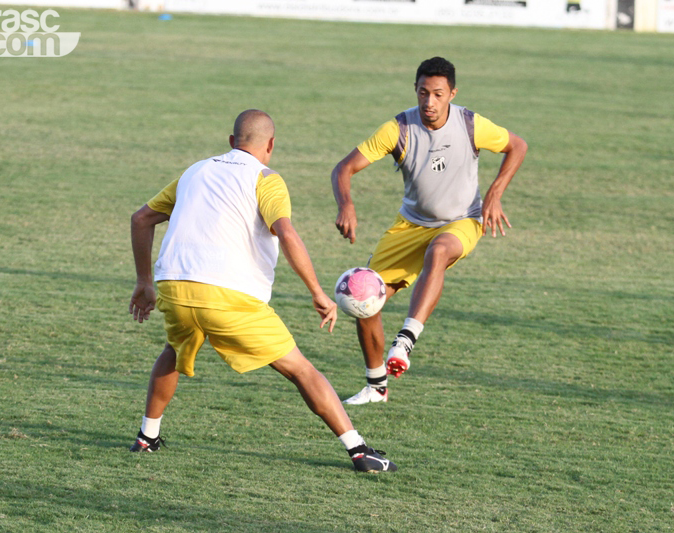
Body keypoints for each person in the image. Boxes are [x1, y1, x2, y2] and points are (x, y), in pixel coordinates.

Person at [127, 109, 396, 472]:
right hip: (229, 298)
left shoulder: (195, 171)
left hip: (174, 288)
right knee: (301, 370)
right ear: (270, 145)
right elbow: (286, 233)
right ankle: (359, 451)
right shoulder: (266, 178)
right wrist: (317, 291)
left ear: (230, 142)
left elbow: (140, 218)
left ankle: (147, 438)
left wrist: (144, 281)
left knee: (174, 350)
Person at [331, 57, 528, 404]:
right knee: (366, 298)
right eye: (423, 93)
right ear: (416, 91)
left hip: (462, 220)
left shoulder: (470, 124)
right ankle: (376, 387)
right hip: (410, 224)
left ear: (452, 93)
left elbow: (518, 145)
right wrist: (346, 204)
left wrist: (495, 193)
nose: (429, 102)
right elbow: (344, 168)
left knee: (439, 251)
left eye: (438, 94)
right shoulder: (398, 129)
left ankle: (405, 340)